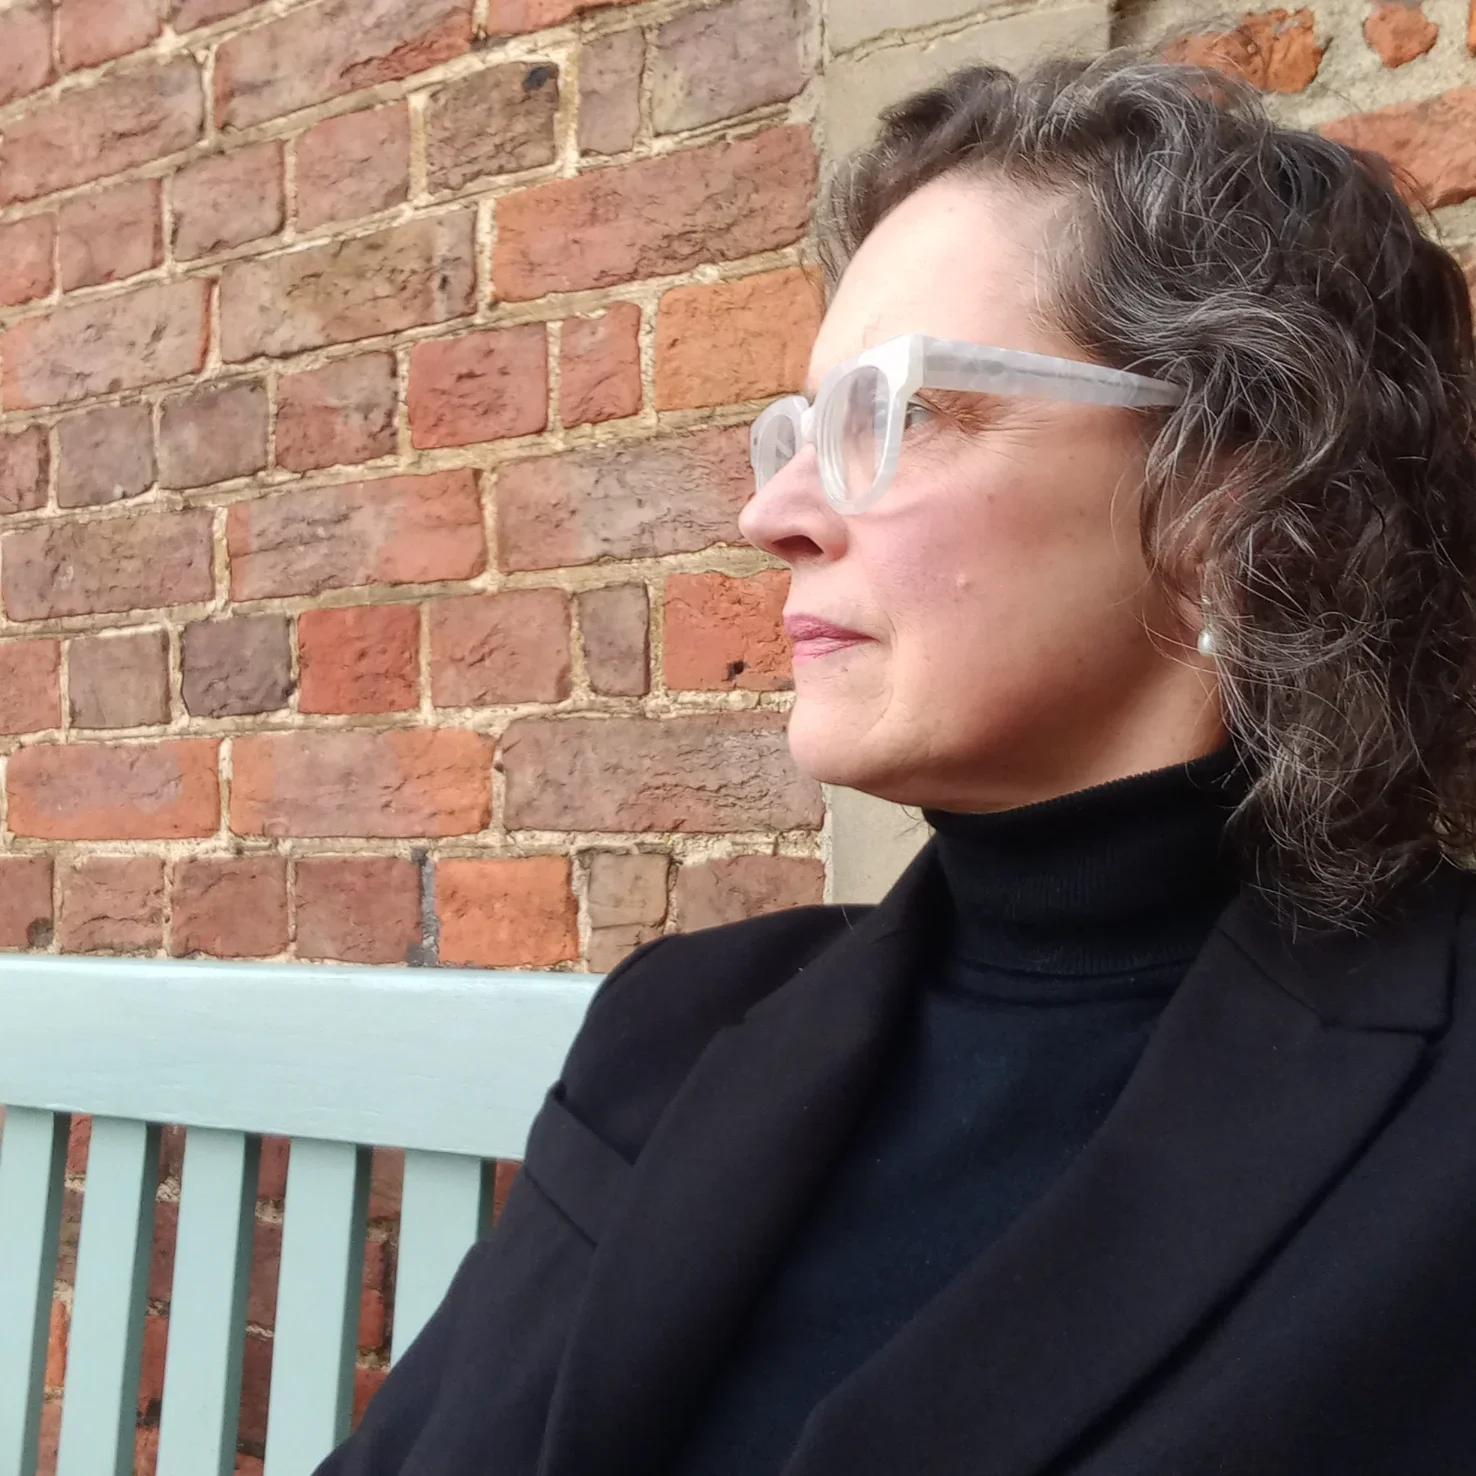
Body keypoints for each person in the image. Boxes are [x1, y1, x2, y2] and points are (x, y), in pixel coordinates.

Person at [319, 51, 1476, 1476]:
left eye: (899, 412)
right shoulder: (678, 1030)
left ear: (1233, 488)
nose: (774, 511)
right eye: (800, 433)